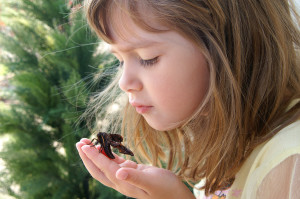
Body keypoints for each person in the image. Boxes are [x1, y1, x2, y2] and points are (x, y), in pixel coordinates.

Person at [76, 0, 300, 198]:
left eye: (148, 58)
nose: (123, 82)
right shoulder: (225, 140)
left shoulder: (290, 165)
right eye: (120, 60)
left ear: (228, 47)